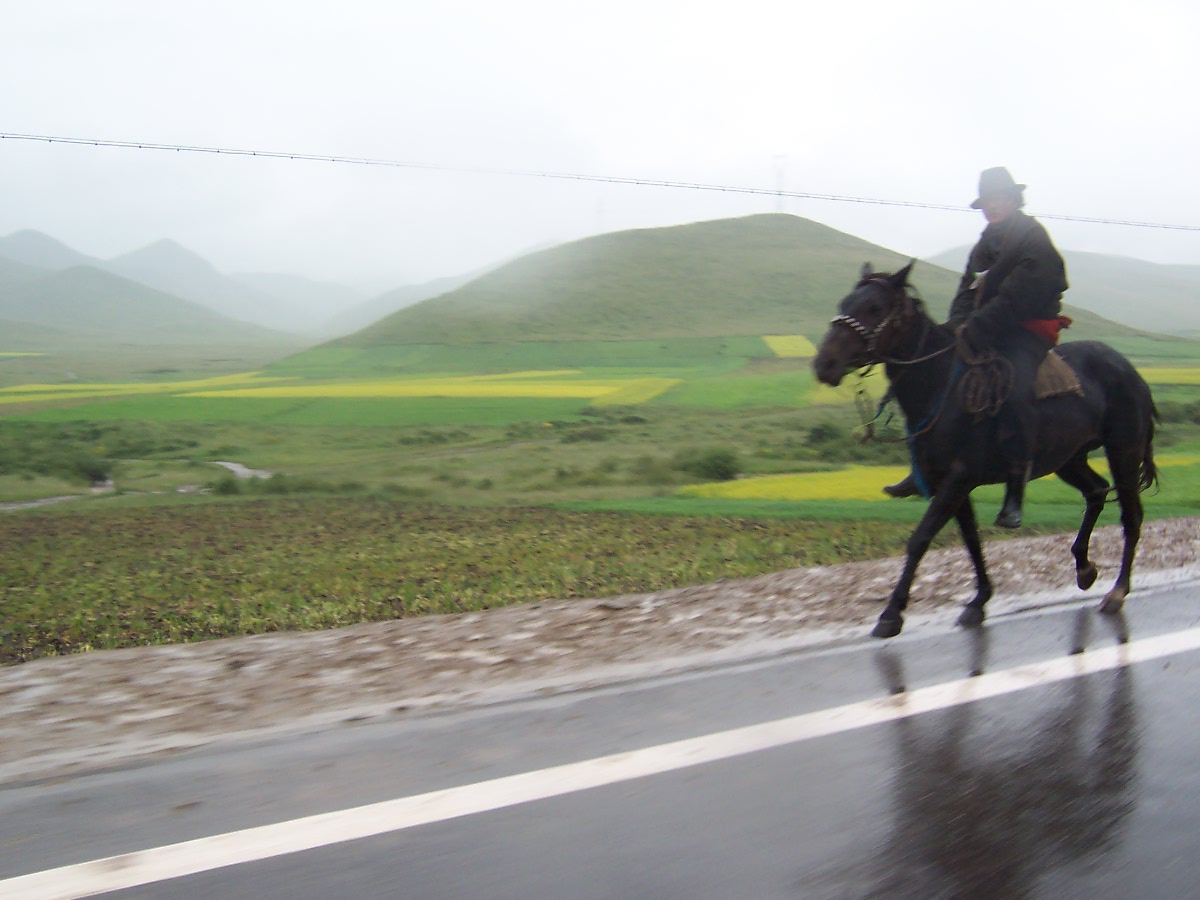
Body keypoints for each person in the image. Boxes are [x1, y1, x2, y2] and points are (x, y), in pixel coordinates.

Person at [883, 167, 1068, 528]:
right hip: (988, 330)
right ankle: (923, 469)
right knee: (937, 381)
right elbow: (966, 290)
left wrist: (977, 327)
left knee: (1016, 390)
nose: (992, 206)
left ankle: (1015, 492)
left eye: (998, 199)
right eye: (987, 201)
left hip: (1027, 330)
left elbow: (1017, 297)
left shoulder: (1033, 238)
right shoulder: (986, 242)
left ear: (1013, 200)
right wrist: (955, 326)